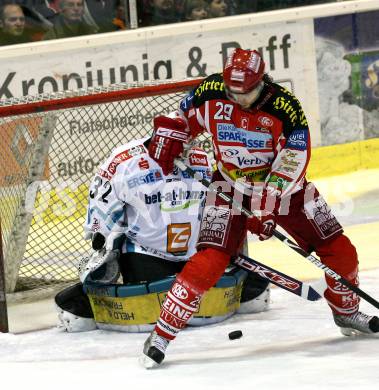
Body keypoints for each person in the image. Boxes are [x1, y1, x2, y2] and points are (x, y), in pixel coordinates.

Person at [141, 48, 379, 368]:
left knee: (341, 250)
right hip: (227, 187)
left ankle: (347, 312)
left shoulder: (285, 108)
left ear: (262, 81)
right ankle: (162, 333)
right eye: (232, 91)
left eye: (247, 92)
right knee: (209, 260)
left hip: (287, 190)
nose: (238, 98)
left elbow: (292, 162)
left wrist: (266, 207)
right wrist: (170, 133)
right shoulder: (210, 92)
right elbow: (183, 118)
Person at [55, 128, 270, 332]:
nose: (188, 150)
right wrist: (99, 232)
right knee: (161, 309)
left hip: (194, 253)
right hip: (147, 251)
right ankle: (82, 301)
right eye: (181, 145)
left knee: (238, 300)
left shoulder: (199, 158)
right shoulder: (125, 161)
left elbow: (212, 202)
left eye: (189, 144)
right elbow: (101, 195)